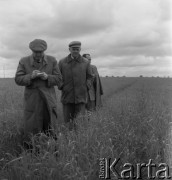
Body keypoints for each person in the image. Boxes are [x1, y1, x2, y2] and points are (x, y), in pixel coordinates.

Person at [15, 39, 63, 143]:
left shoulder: (52, 60)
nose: (38, 54)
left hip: (49, 100)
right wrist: (30, 76)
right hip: (32, 101)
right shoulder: (24, 61)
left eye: (40, 52)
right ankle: (32, 152)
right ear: (31, 51)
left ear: (44, 51)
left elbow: (59, 79)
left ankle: (52, 151)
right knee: (32, 129)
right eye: (35, 52)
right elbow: (18, 79)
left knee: (50, 127)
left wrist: (47, 77)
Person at [58, 41, 93, 130]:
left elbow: (90, 77)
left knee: (80, 123)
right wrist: (62, 86)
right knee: (68, 122)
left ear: (80, 49)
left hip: (81, 97)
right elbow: (58, 76)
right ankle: (69, 139)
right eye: (74, 49)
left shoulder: (85, 62)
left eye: (77, 49)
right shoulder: (62, 62)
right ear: (69, 49)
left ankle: (78, 140)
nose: (76, 51)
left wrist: (86, 87)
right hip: (67, 97)